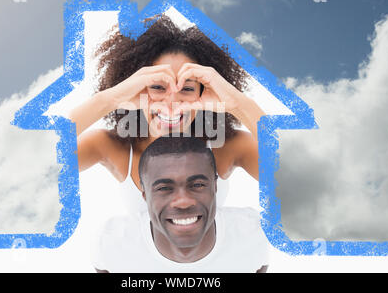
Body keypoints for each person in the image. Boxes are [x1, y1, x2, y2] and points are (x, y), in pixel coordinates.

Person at [70, 15, 266, 212]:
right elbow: (44, 166)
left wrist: (236, 103)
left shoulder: (228, 146)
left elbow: (292, 177)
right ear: (136, 88)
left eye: (187, 89)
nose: (172, 103)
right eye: (157, 86)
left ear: (204, 91)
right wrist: (108, 100)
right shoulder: (110, 146)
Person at [92, 136, 269, 273]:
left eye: (197, 185)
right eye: (164, 188)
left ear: (215, 186)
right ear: (144, 195)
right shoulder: (113, 241)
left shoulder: (253, 233)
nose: (183, 202)